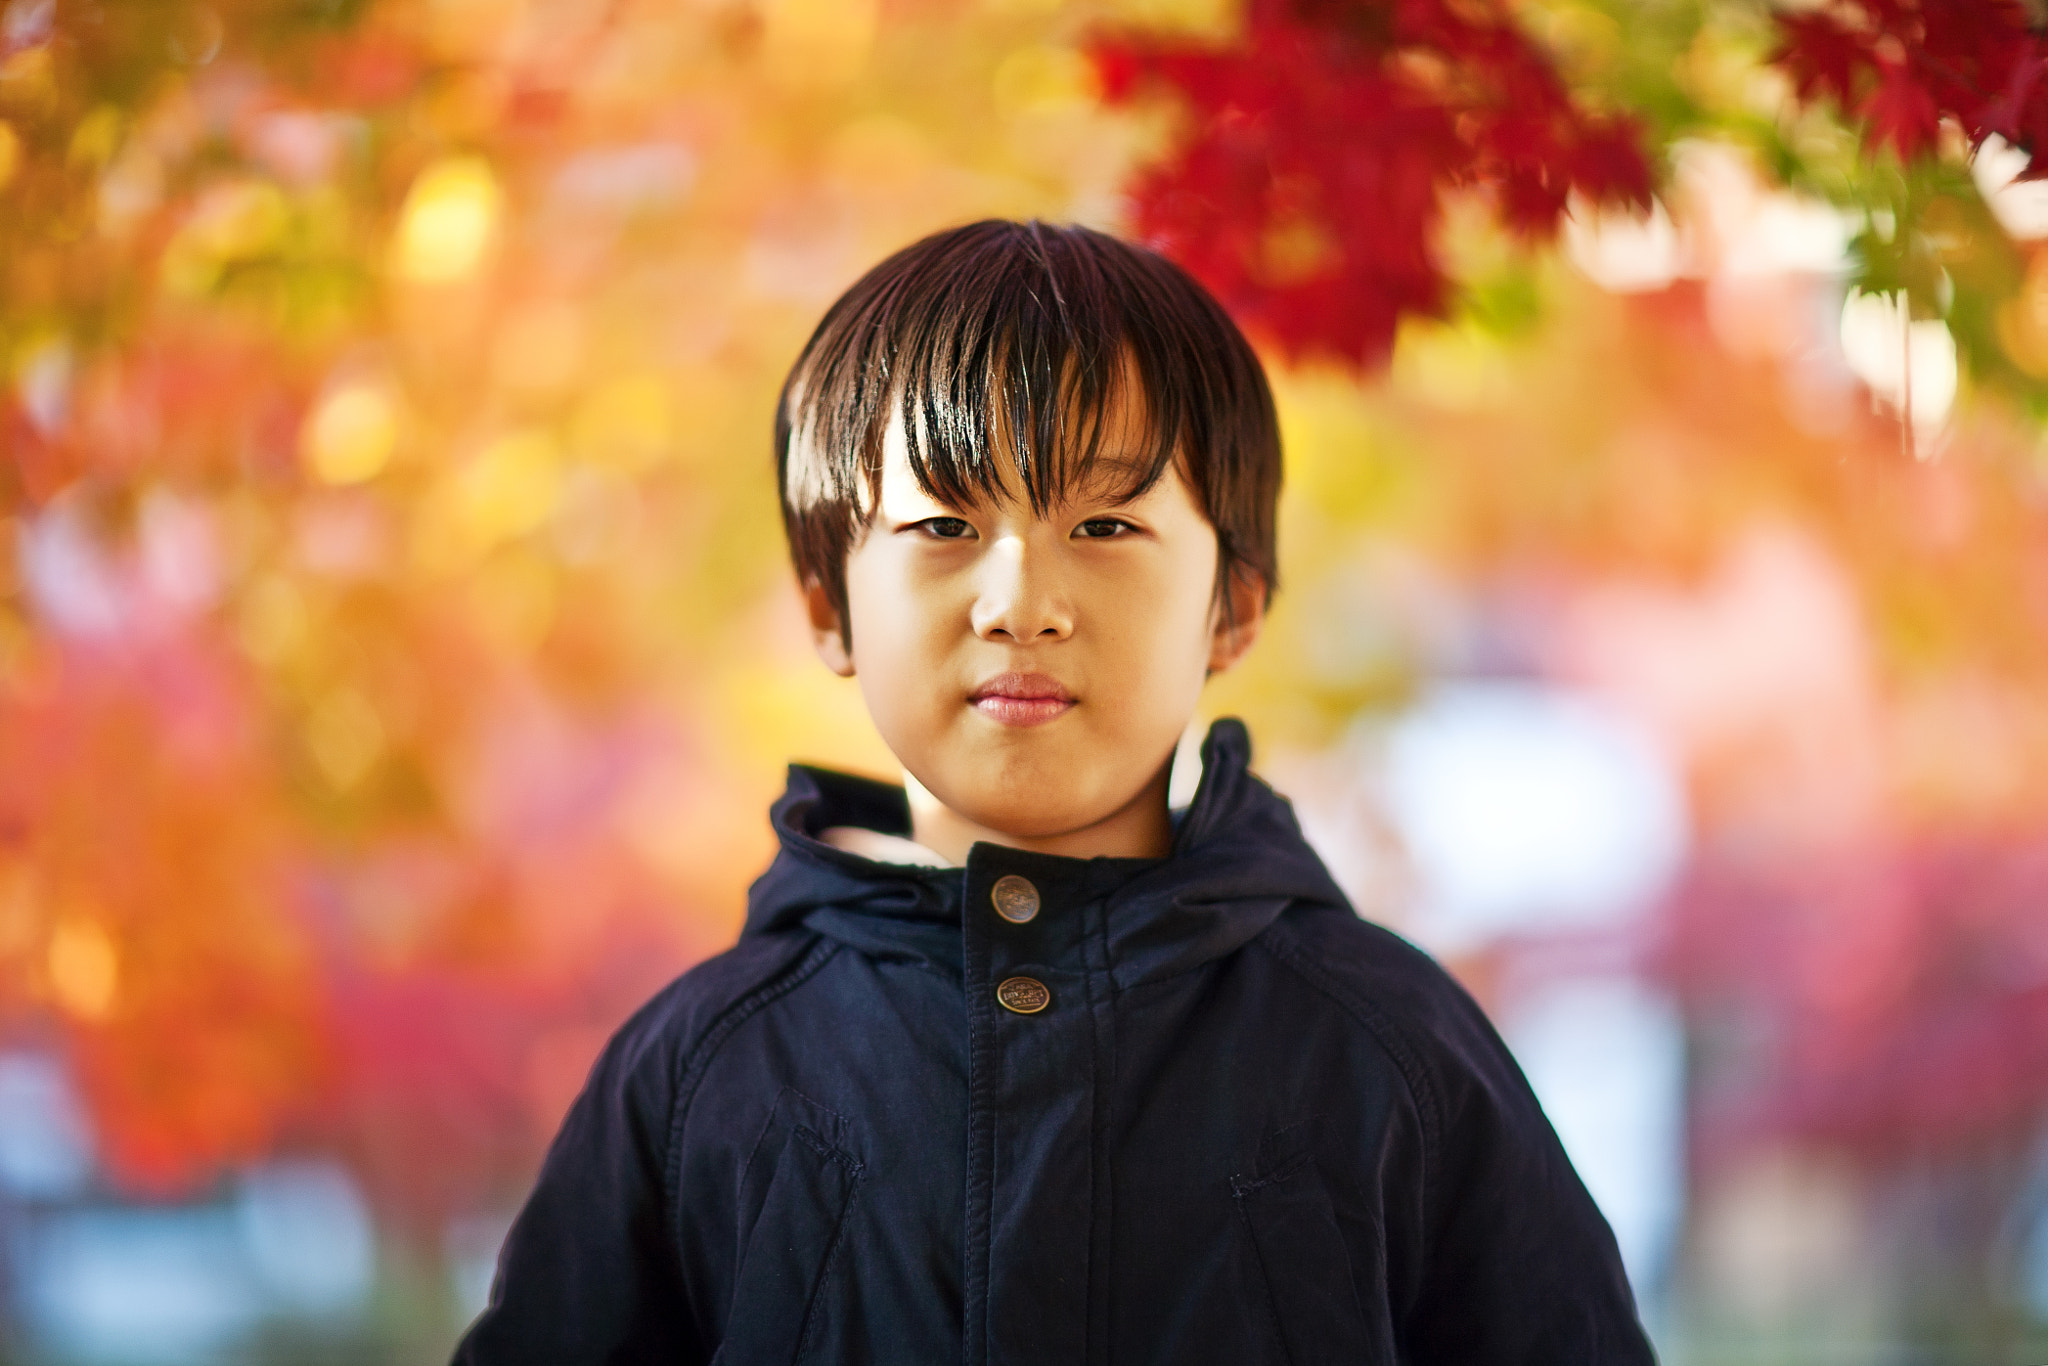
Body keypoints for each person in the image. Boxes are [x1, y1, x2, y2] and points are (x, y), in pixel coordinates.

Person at [451, 220, 1656, 1364]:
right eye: (941, 522)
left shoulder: (1387, 1048)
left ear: (1230, 603)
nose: (1020, 601)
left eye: (1102, 521)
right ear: (829, 603)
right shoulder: (701, 1067)